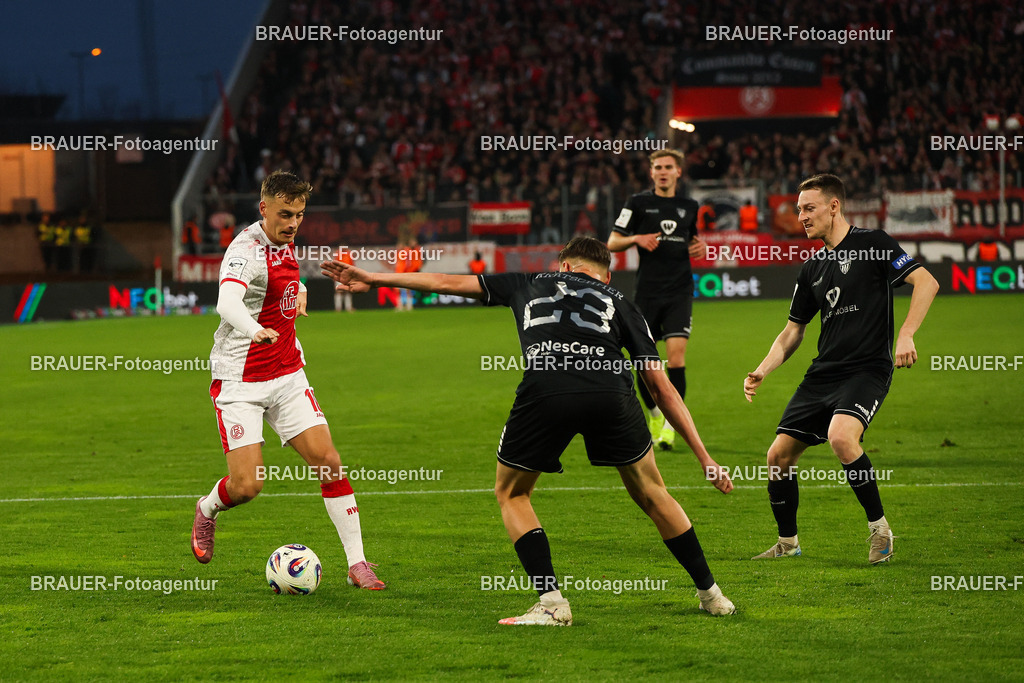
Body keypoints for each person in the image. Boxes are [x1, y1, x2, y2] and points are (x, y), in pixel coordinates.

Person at [322, 236, 736, 625]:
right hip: (610, 389)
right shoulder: (622, 301)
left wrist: (372, 277)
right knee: (651, 492)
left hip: (547, 389)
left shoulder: (529, 280)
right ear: (605, 275)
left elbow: (445, 281)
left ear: (563, 265)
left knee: (512, 492)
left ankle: (552, 604)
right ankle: (713, 596)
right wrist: (705, 458)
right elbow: (660, 386)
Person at [191, 170, 385, 590]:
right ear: (263, 209)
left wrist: (296, 296)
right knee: (247, 486)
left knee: (330, 461)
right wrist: (252, 329)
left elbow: (281, 281)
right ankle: (207, 509)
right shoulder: (245, 250)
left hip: (286, 374)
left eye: (299, 214)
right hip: (240, 380)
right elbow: (227, 302)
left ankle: (358, 564)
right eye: (284, 214)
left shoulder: (287, 241)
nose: (293, 222)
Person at [743, 173, 939, 564]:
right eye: (799, 209)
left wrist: (906, 335)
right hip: (824, 372)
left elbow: (926, 282)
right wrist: (764, 368)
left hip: (867, 368)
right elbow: (792, 331)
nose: (801, 216)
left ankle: (880, 531)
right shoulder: (812, 267)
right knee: (778, 456)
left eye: (809, 208)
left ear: (834, 206)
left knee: (842, 438)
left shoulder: (874, 244)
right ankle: (787, 543)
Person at [607, 149, 707, 452]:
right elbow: (612, 241)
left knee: (676, 359)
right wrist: (636, 239)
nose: (663, 172)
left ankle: (668, 425)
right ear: (651, 173)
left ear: (678, 172)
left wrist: (698, 246)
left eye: (668, 167)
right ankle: (654, 416)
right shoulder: (638, 203)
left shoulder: (689, 206)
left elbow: (690, 238)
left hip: (679, 291)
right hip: (647, 293)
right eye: (658, 167)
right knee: (646, 363)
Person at [333, 246, 355, 312]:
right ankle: (338, 308)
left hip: (347, 276)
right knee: (339, 292)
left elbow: (352, 266)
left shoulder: (349, 255)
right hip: (339, 276)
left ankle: (348, 308)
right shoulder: (338, 255)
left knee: (347, 291)